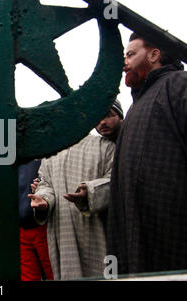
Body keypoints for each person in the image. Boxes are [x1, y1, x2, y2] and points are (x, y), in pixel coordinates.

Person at [107, 33, 187, 274]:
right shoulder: (135, 106)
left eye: (131, 54)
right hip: (136, 230)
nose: (125, 62)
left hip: (173, 230)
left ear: (154, 54)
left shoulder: (179, 84)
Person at [30, 101, 123, 280]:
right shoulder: (51, 151)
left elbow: (116, 182)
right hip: (63, 229)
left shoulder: (105, 146)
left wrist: (89, 193)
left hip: (96, 230)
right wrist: (43, 200)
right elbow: (45, 183)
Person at [18, 159, 53, 281]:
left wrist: (41, 188)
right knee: (28, 275)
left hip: (43, 225)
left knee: (52, 272)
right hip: (21, 226)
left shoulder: (47, 153)